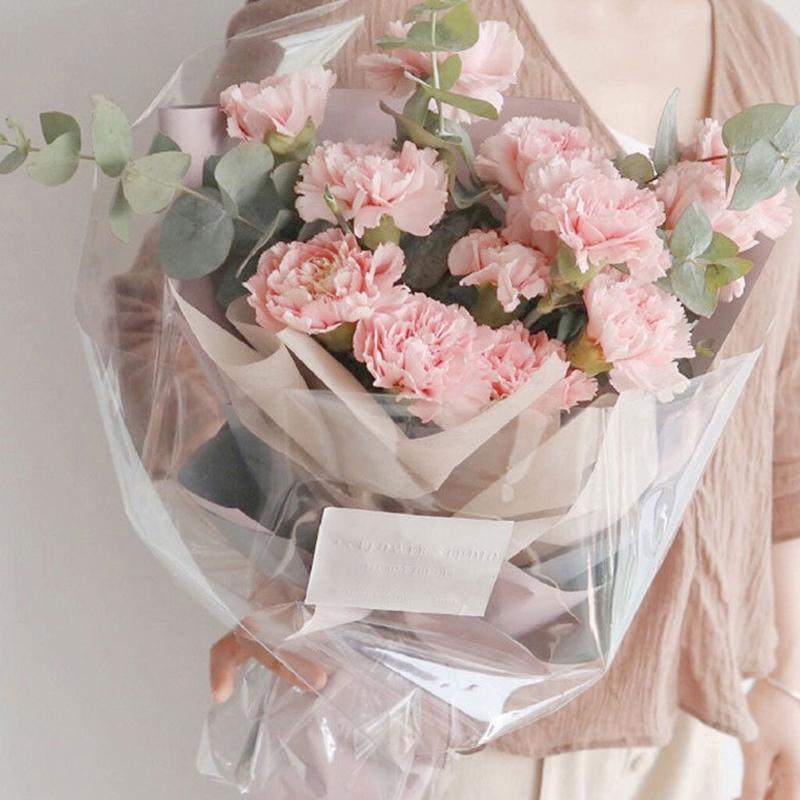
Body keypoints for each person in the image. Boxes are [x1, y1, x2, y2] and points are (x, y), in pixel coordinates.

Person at [206, 1, 800, 797]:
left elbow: (784, 397)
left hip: (704, 716)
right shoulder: (367, 15)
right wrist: (276, 579)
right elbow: (159, 321)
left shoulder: (769, 51)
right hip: (423, 708)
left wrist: (785, 681)